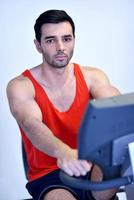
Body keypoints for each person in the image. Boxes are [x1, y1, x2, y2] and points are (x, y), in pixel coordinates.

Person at [7, 9, 120, 200]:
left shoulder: (93, 76)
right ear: (38, 45)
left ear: (74, 39)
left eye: (66, 39)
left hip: (92, 167)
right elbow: (32, 126)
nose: (60, 47)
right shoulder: (20, 86)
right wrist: (65, 153)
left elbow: (117, 109)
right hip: (50, 175)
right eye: (51, 40)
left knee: (120, 158)